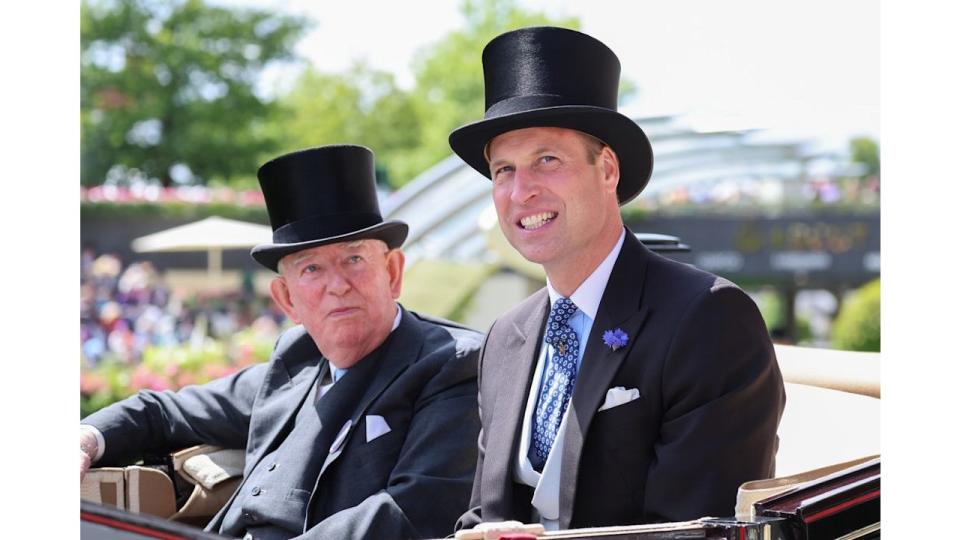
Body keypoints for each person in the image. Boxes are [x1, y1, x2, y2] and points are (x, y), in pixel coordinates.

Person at [448, 27, 786, 531]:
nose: (522, 191)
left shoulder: (709, 317)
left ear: (607, 169)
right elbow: (483, 514)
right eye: (503, 170)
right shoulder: (504, 339)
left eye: (547, 160)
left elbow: (698, 531)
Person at [80, 145, 482, 540]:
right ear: (287, 299)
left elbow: (413, 512)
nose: (337, 285)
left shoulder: (450, 363)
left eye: (354, 259)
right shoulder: (296, 361)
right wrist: (85, 438)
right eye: (311, 268)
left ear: (392, 272)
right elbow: (161, 412)